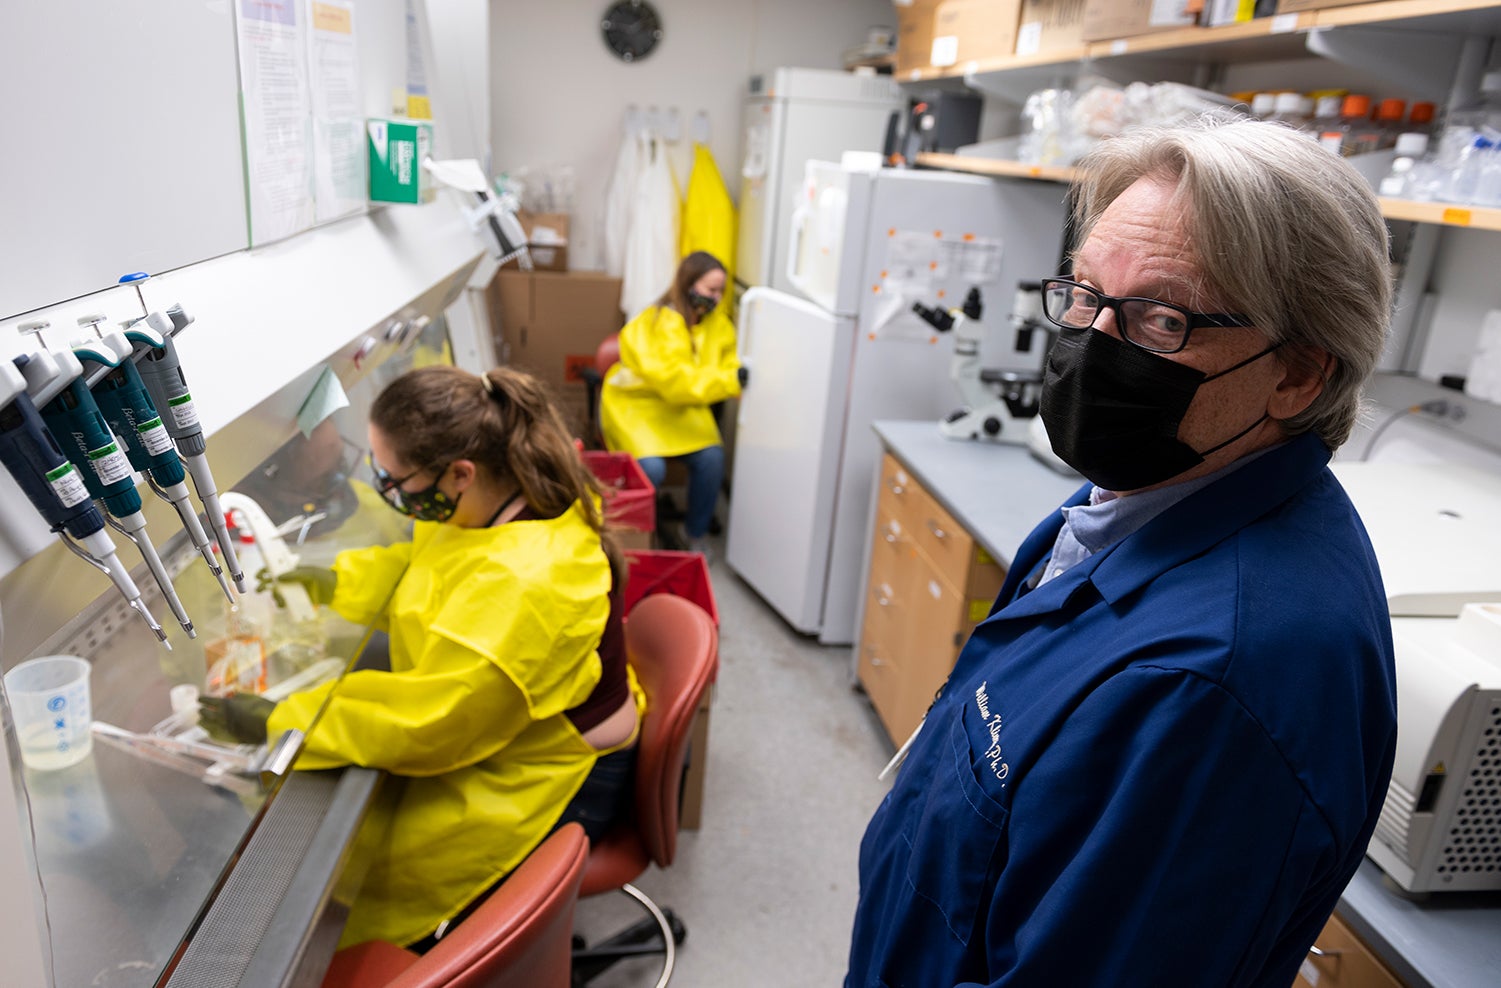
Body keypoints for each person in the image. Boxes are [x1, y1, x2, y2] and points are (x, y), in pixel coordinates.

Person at [846, 119, 1399, 987]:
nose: (1092, 344)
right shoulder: (1143, 497)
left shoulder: (1212, 689)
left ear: (1298, 375)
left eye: (1161, 319)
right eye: (1082, 294)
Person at [201, 365, 641, 950]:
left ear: (460, 472)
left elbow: (428, 725)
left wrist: (280, 721)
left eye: (393, 475)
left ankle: (437, 952)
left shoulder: (527, 581)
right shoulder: (491, 500)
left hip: (559, 767)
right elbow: (423, 570)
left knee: (384, 873)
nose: (382, 484)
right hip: (509, 727)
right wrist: (322, 581)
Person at [600, 250, 742, 555]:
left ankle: (694, 532)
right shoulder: (659, 322)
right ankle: (639, 538)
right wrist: (730, 382)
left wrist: (733, 375)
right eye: (710, 289)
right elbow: (676, 384)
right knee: (650, 469)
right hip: (636, 408)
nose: (716, 298)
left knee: (712, 459)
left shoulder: (716, 324)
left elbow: (730, 360)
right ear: (689, 284)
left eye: (720, 291)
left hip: (681, 411)